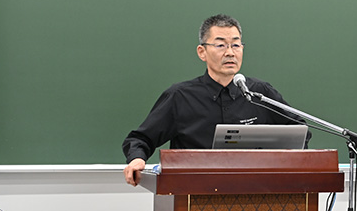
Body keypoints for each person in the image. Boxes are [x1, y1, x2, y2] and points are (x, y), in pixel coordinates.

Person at [122, 14, 306, 186]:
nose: (230, 53)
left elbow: (299, 133)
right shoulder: (180, 96)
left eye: (235, 45)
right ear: (202, 52)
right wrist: (137, 159)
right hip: (193, 194)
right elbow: (140, 139)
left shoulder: (259, 93)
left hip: (255, 191)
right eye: (220, 45)